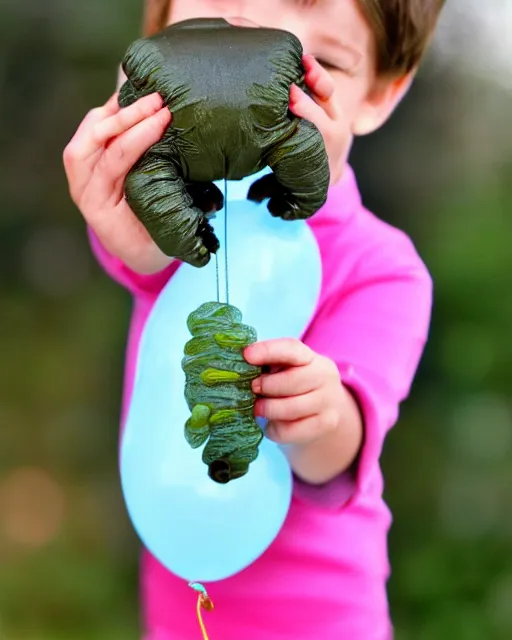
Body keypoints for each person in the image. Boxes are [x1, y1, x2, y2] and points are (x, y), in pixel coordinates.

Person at [63, 1, 444, 638]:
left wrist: (320, 414)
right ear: (161, 39)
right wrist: (121, 195)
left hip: (324, 616)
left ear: (378, 95)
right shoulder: (169, 217)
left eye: (319, 64)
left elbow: (342, 453)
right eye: (221, 46)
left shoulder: (383, 267)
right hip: (181, 608)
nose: (264, 96)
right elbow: (140, 259)